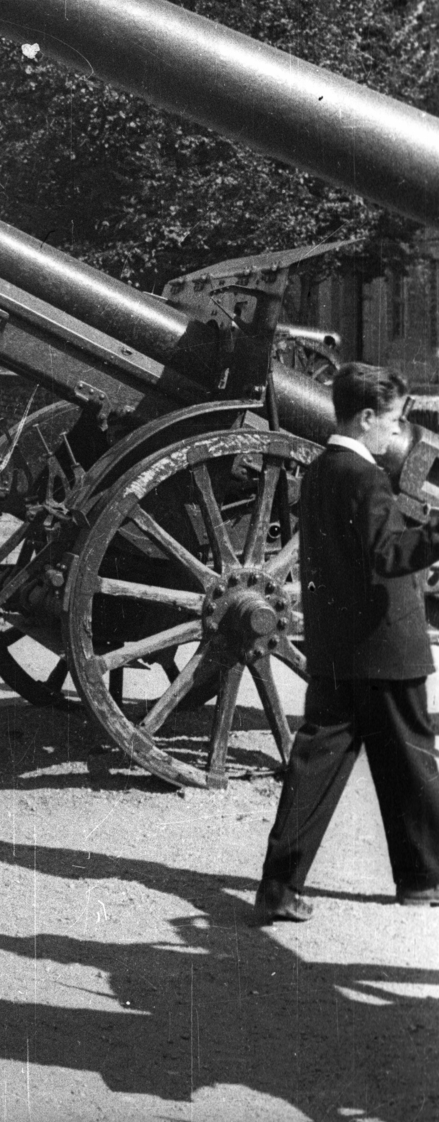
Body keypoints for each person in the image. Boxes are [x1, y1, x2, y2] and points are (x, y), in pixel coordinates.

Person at [253, 361, 439, 923]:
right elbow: (386, 557)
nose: (396, 432)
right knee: (412, 764)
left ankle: (279, 886)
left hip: (337, 648)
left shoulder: (322, 470)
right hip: (387, 647)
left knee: (316, 764)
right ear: (365, 418)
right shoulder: (367, 477)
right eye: (392, 420)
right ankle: (423, 880)